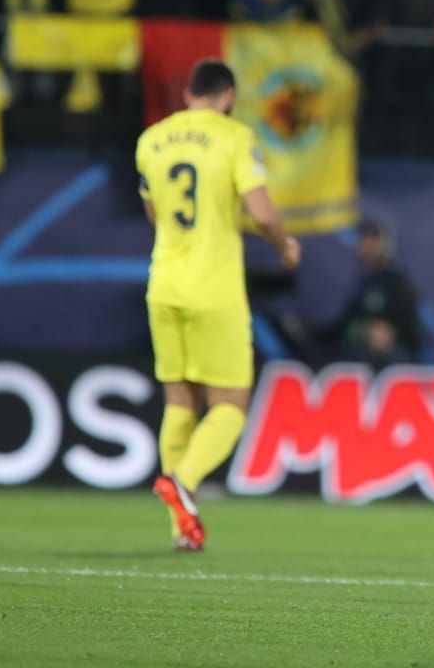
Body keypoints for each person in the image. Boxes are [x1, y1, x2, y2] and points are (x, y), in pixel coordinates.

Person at [138, 59, 300, 552]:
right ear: (227, 95)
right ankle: (183, 481)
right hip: (214, 288)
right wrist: (284, 243)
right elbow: (259, 208)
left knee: (179, 400)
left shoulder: (152, 139)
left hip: (163, 284)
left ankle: (179, 529)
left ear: (189, 92)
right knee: (230, 403)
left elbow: (152, 211)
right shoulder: (234, 137)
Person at [335, 219, 421, 366]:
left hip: (392, 358)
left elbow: (410, 326)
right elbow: (344, 324)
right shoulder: (359, 282)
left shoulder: (396, 281)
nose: (367, 245)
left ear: (384, 245)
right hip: (359, 356)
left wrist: (390, 331)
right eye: (364, 239)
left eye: (373, 240)